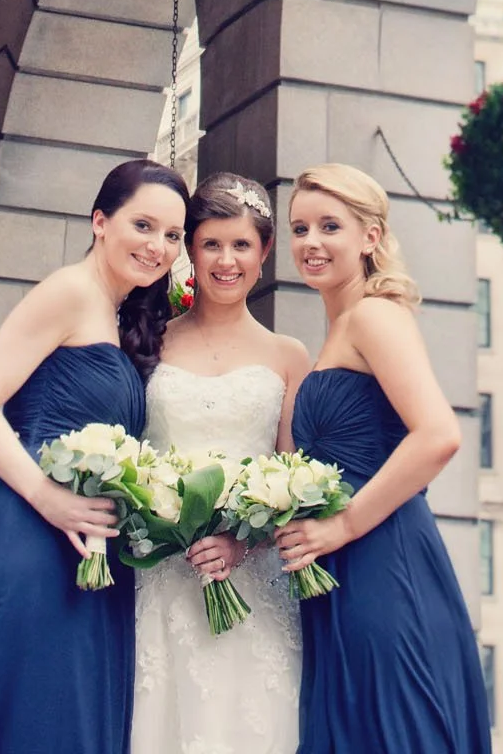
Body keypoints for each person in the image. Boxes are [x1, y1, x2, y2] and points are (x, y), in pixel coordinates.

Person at [0, 158, 189, 754]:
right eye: (144, 225)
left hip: (89, 556)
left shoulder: (112, 311)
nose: (158, 247)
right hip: (33, 540)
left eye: (173, 236)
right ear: (100, 221)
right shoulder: (69, 291)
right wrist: (48, 498)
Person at [277, 164, 491, 754]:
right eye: (300, 228)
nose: (311, 243)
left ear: (370, 238)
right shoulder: (339, 328)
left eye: (329, 226)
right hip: (338, 572)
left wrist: (341, 525)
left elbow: (438, 434)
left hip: (383, 562)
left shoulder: (374, 315)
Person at [132, 171, 308, 754]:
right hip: (158, 579)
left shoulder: (288, 356)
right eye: (210, 243)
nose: (226, 260)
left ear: (265, 251)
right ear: (189, 251)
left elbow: (293, 481)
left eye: (241, 244)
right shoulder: (150, 342)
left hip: (249, 585)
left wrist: (242, 540)